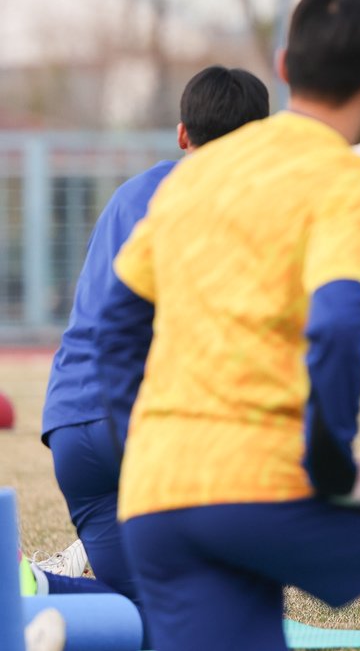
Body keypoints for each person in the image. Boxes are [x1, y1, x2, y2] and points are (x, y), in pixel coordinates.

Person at [113, 0, 360, 651]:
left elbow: (111, 327)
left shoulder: (192, 175)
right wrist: (331, 466)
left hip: (154, 499)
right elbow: (336, 324)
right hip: (259, 489)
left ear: (283, 65)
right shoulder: (344, 178)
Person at [31, 66, 268, 637]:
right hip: (144, 428)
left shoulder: (129, 193)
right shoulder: (231, 208)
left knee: (141, 615)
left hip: (71, 425)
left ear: (183, 135)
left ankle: (35, 592)